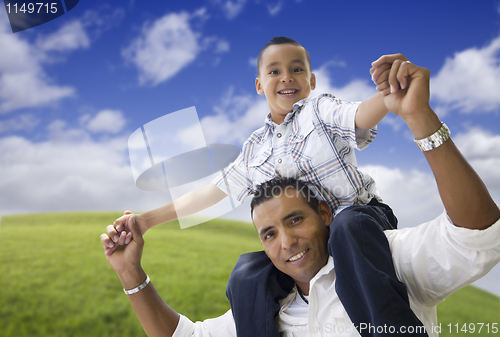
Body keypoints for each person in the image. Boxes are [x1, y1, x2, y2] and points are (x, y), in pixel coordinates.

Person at [101, 56, 500, 336]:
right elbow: (214, 192)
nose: (285, 240)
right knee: (246, 272)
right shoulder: (254, 150)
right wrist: (141, 235)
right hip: (325, 234)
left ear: (311, 82)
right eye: (269, 233)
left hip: (360, 225)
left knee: (349, 228)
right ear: (259, 85)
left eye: (294, 221)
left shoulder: (320, 114)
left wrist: (407, 107)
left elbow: (476, 237)